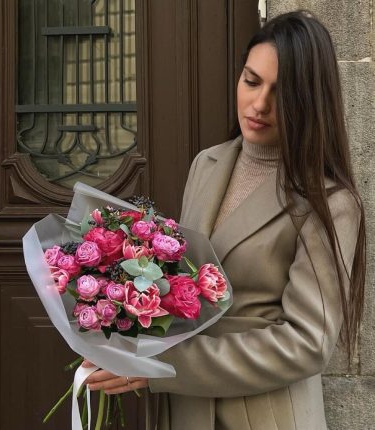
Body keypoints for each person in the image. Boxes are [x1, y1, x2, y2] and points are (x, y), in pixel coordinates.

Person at [83, 10, 366, 430]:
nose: (260, 104)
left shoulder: (329, 201)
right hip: (184, 411)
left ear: (309, 101)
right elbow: (182, 285)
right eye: (251, 81)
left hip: (263, 415)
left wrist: (162, 365)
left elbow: (307, 344)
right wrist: (121, 330)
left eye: (281, 93)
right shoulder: (207, 164)